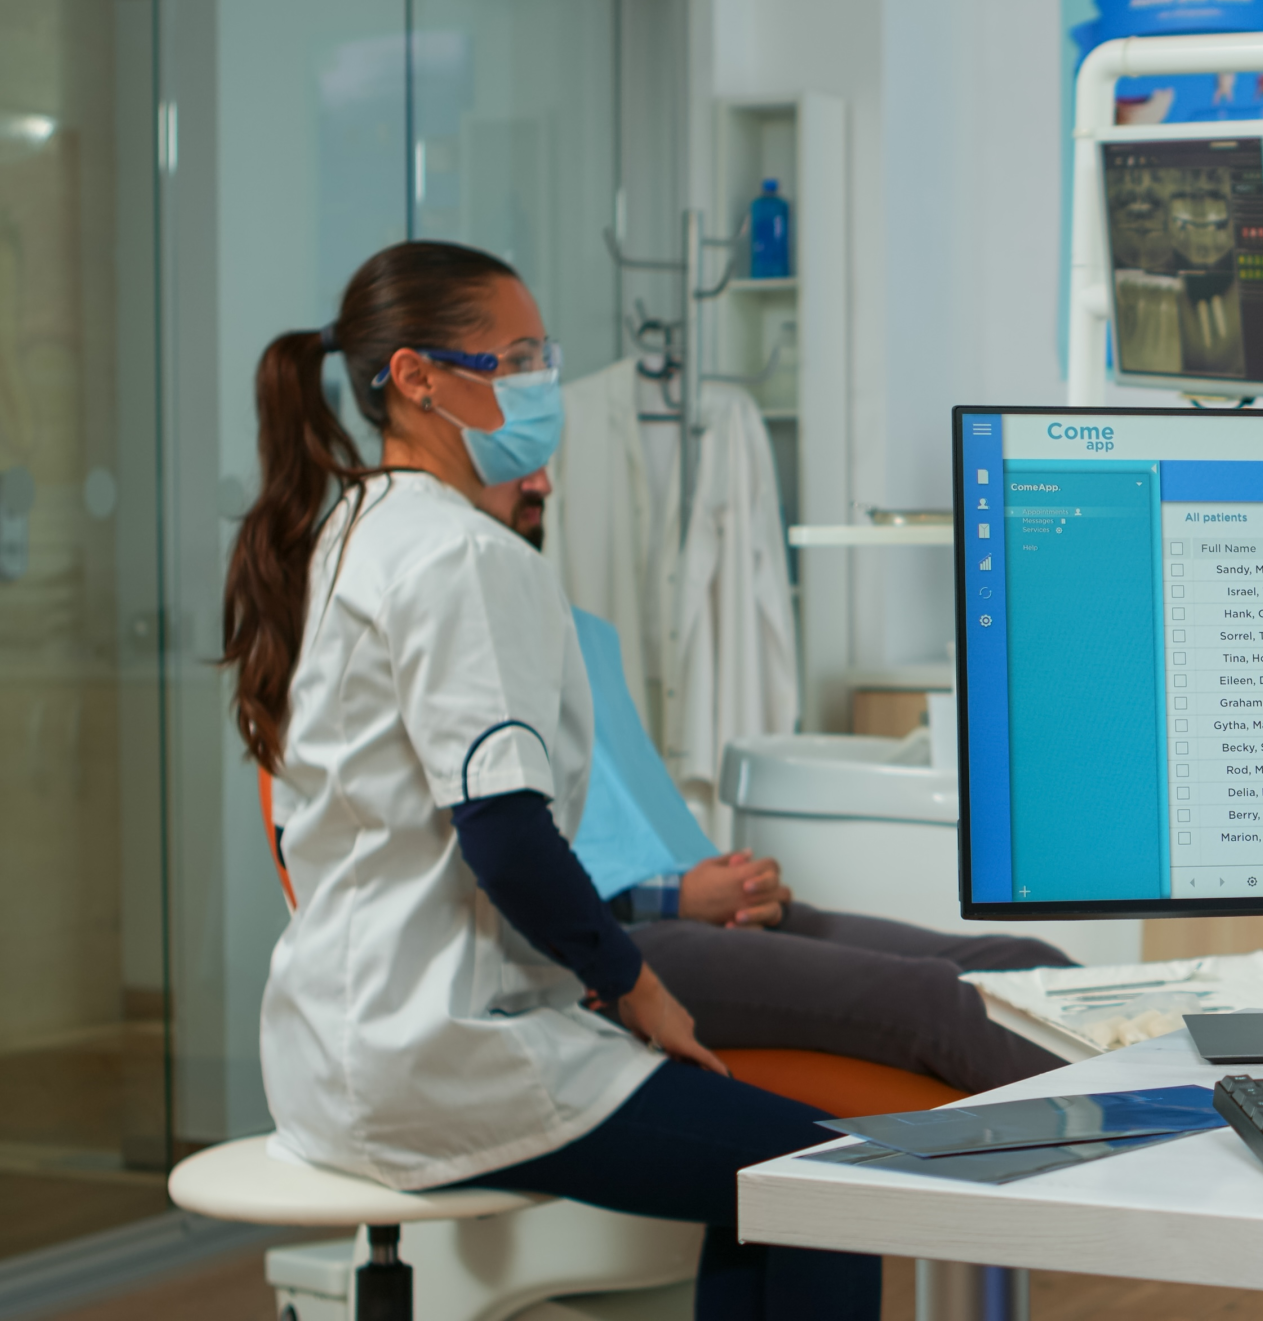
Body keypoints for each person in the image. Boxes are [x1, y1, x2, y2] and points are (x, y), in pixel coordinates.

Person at [225, 240, 878, 1320]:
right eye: (514, 357)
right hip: (436, 1056)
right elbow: (506, 835)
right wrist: (637, 988)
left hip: (333, 1047)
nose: (539, 384)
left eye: (541, 355)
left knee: (775, 1182)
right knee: (831, 1181)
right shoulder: (461, 555)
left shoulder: (347, 530)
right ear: (417, 379)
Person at [484, 467, 1071, 1094]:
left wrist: (733, 883)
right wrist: (669, 896)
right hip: (608, 943)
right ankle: (1141, 1148)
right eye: (511, 468)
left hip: (684, 906)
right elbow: (502, 861)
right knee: (940, 1003)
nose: (544, 482)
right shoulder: (464, 639)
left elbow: (628, 817)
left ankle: (1179, 1098)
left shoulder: (574, 630)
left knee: (1031, 965)